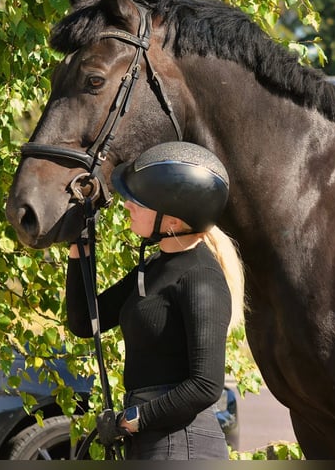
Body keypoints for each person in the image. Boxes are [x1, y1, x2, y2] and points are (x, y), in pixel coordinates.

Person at [65, 141, 245, 460]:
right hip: (154, 440)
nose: (128, 206)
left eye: (140, 201)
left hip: (182, 444)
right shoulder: (152, 269)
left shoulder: (201, 278)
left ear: (173, 221)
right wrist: (79, 247)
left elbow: (205, 385)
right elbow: (85, 322)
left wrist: (134, 420)